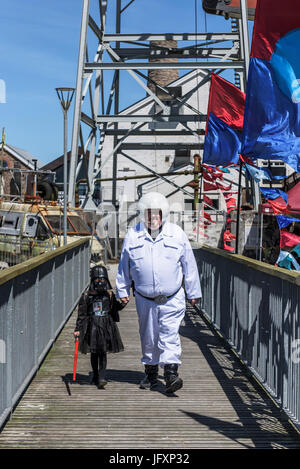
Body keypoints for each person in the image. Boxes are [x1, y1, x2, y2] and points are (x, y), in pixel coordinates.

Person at [116, 192, 202, 394]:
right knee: (149, 336)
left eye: (157, 214)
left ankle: (171, 373)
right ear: (142, 214)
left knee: (169, 334)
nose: (153, 218)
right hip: (144, 299)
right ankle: (151, 372)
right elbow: (124, 266)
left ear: (163, 214)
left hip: (172, 297)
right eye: (149, 214)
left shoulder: (177, 234)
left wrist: (193, 291)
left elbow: (189, 264)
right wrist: (122, 290)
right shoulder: (133, 235)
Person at [74, 265, 125, 389]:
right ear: (92, 280)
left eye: (102, 279)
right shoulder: (87, 296)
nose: (100, 282)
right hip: (92, 326)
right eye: (97, 279)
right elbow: (82, 314)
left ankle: (102, 377)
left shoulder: (109, 295)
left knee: (103, 352)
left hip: (106, 325)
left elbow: (115, 308)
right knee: (94, 352)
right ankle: (96, 375)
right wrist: (78, 329)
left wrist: (123, 303)